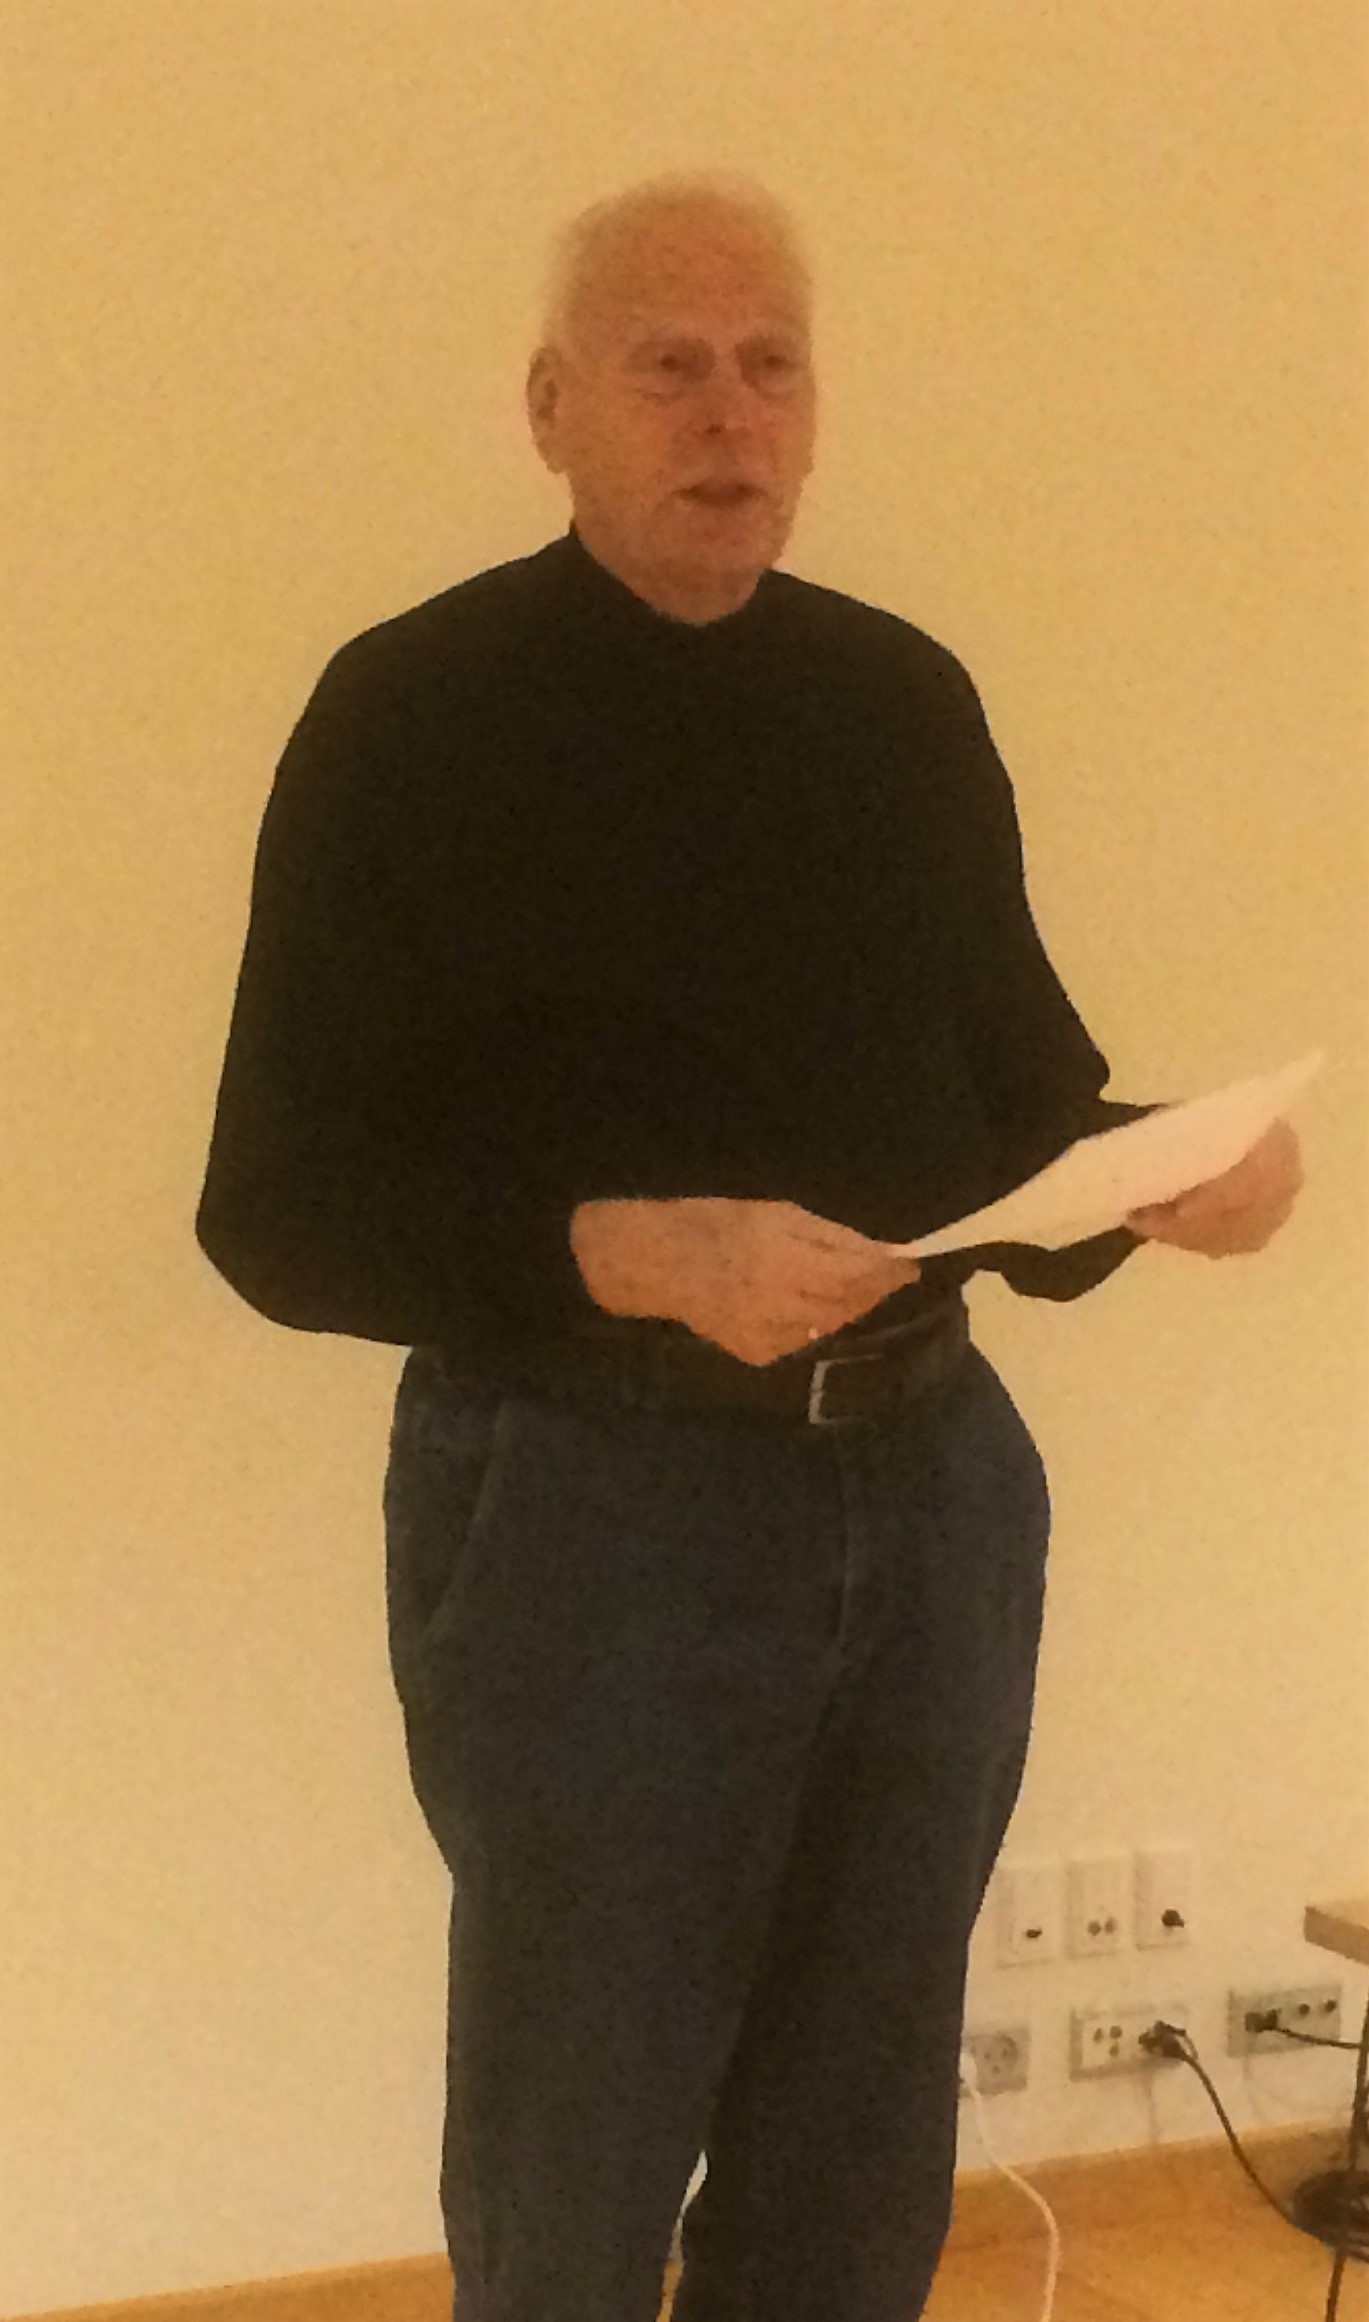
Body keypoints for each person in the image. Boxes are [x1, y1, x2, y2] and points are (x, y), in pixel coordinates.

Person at [195, 171, 1303, 2322]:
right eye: (668, 366)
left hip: (933, 1495)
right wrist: (619, 1252)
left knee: (860, 2141)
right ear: (551, 408)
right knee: (578, 2141)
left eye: (770, 365)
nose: (729, 414)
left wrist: (1165, 1177)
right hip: (593, 1517)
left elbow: (1010, 1119)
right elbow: (277, 1206)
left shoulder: (901, 703)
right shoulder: (411, 714)